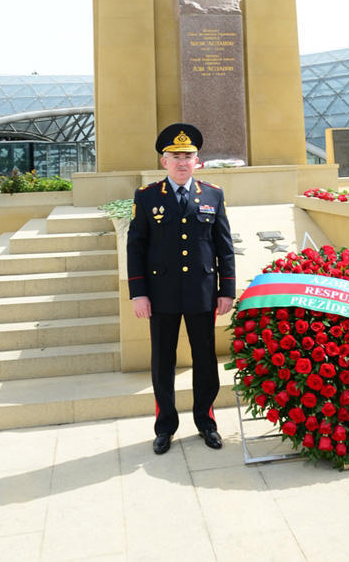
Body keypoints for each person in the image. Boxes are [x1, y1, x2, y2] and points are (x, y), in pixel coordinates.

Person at [127, 122, 236, 454]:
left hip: (202, 294)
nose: (182, 161)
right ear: (164, 161)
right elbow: (136, 247)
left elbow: (224, 246)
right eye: (175, 156)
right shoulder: (147, 198)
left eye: (188, 155)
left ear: (197, 160)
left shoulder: (213, 195)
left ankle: (206, 422)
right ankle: (165, 427)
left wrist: (226, 289)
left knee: (205, 361)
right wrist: (138, 293)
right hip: (161, 296)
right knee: (163, 363)